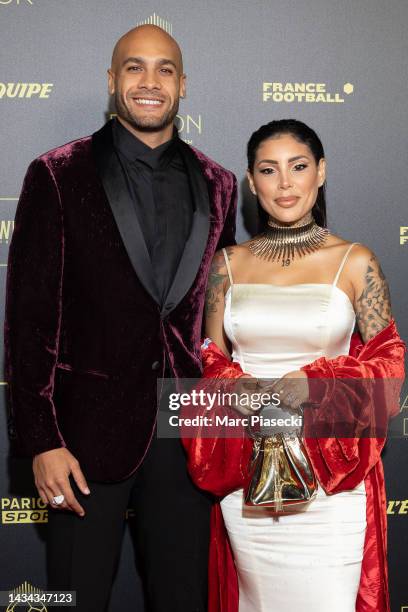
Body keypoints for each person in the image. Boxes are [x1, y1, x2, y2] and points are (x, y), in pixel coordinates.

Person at [4, 25, 237, 612]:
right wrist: (41, 439)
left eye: (164, 70)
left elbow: (219, 317)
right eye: (134, 68)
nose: (149, 82)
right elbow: (28, 319)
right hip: (81, 439)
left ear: (183, 85)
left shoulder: (221, 184)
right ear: (112, 82)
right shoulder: (58, 173)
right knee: (72, 599)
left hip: (186, 435)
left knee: (184, 598)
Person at [190, 119, 404, 611]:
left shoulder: (356, 262)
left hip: (330, 484)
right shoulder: (226, 266)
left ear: (321, 172)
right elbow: (210, 360)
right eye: (269, 170)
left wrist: (316, 385)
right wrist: (233, 387)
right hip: (249, 483)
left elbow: (391, 378)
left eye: (298, 166)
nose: (284, 183)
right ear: (251, 181)